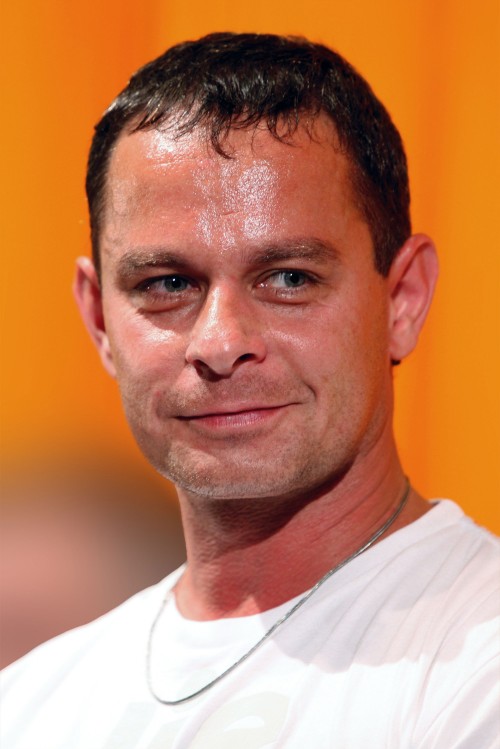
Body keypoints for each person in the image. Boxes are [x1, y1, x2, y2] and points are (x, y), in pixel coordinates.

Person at [1, 32, 498, 749]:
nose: (220, 341)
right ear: (99, 317)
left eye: (289, 278)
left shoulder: (479, 662)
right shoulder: (27, 706)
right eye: (167, 284)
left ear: (403, 299)